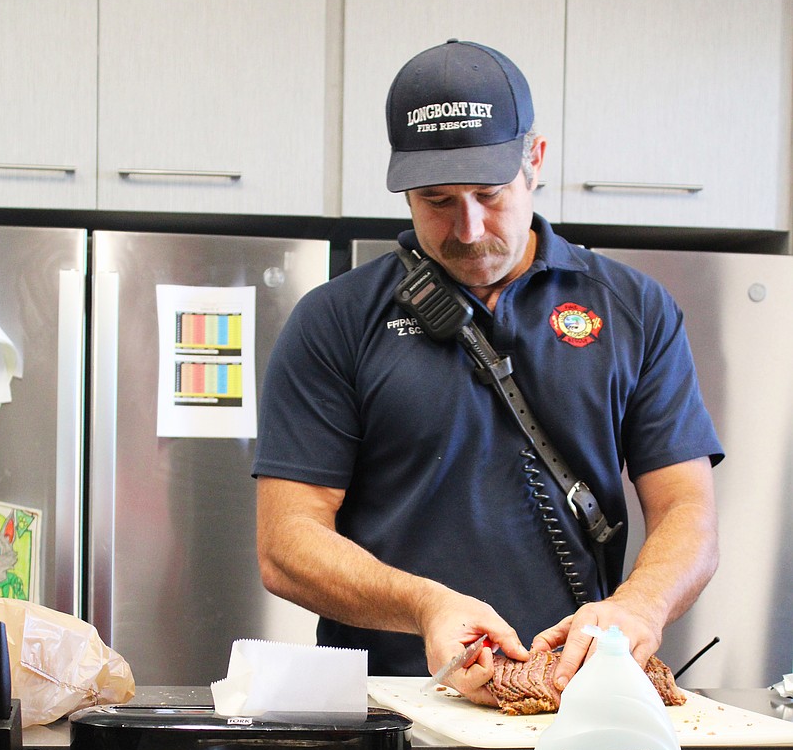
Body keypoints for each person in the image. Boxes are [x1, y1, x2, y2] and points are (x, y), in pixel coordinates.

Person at [252, 39, 723, 705]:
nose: (469, 228)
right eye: (438, 199)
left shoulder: (634, 310)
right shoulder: (334, 320)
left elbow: (687, 511)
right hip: (392, 716)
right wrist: (424, 606)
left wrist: (641, 605)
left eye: (488, 193)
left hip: (586, 703)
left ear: (534, 160)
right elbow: (286, 541)